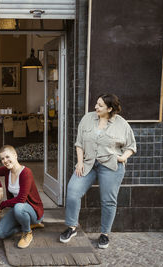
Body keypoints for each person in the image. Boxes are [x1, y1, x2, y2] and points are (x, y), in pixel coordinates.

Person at [59, 94, 136, 249]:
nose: (96, 107)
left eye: (100, 105)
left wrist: (121, 158)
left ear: (110, 108)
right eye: (96, 104)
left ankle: (104, 234)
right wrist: (79, 163)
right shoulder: (87, 118)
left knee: (108, 200)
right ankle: (72, 227)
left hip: (111, 166)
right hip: (88, 164)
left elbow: (131, 146)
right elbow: (79, 143)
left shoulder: (122, 124)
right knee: (73, 191)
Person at [0, 145, 44, 249]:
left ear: (15, 155)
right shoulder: (7, 170)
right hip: (18, 210)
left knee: (19, 206)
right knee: (0, 233)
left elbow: (21, 199)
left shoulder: (26, 173)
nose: (5, 161)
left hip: (32, 211)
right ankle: (27, 225)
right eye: (2, 158)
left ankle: (27, 232)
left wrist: (2, 205)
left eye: (7, 157)